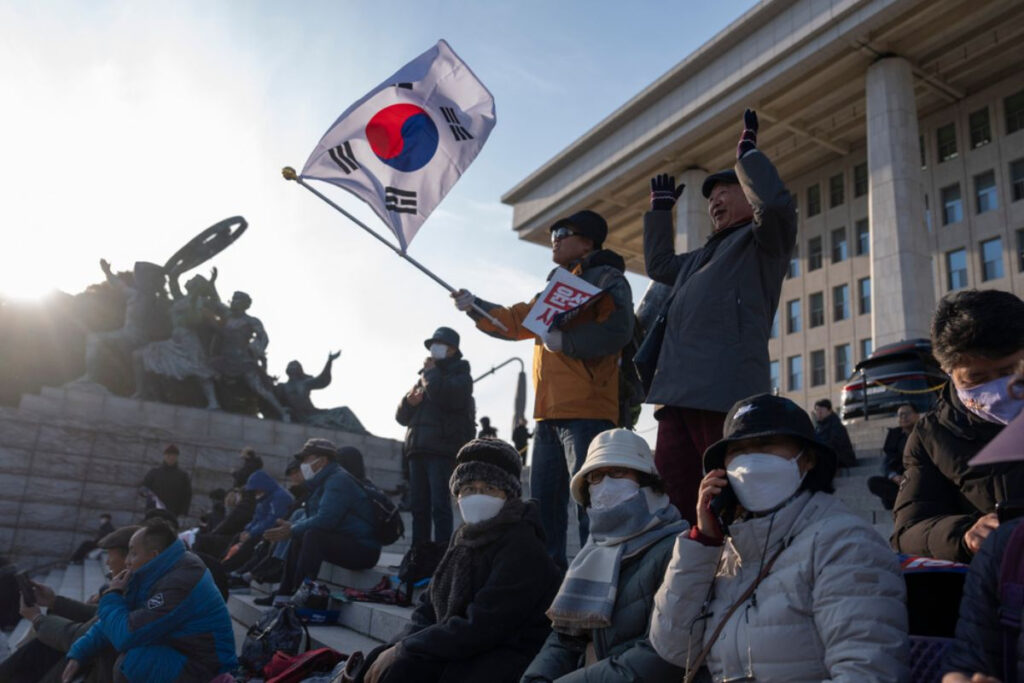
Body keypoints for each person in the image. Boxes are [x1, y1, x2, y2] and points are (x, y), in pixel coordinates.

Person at [649, 393, 908, 681]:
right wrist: (703, 541)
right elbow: (673, 646)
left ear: (807, 458)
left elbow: (868, 672)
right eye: (737, 451)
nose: (749, 461)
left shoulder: (846, 543)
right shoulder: (728, 552)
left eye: (764, 444)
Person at [452, 209, 635, 570]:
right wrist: (476, 307)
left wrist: (567, 340)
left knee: (590, 503)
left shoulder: (608, 279)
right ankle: (549, 581)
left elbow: (618, 330)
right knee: (544, 506)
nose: (555, 237)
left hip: (588, 410)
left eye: (563, 231)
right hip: (548, 413)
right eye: (553, 232)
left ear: (588, 241)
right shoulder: (558, 285)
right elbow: (518, 321)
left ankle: (595, 578)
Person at [641, 109, 796, 524]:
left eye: (725, 191)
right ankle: (686, 563)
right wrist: (659, 212)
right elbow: (659, 266)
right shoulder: (699, 257)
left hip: (724, 388)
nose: (715, 201)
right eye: (710, 198)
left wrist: (748, 158)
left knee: (729, 492)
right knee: (675, 493)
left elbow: (777, 207)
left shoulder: (764, 243)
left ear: (749, 194)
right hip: (675, 394)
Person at [360, 439, 560, 683]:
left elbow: (483, 625)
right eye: (468, 488)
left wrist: (406, 650)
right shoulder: (463, 536)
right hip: (462, 641)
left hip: (506, 650)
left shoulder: (523, 544)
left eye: (488, 488)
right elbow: (427, 608)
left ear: (509, 495)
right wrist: (396, 647)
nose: (477, 496)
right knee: (383, 662)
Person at [522, 429, 687, 682]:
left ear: (645, 480)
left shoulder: (678, 548)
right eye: (596, 477)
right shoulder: (591, 552)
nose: (606, 484)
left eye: (618, 472)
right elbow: (565, 638)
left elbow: (658, 658)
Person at [893, 289, 1024, 563]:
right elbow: (908, 531)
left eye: (1009, 371)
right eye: (976, 379)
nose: (1000, 389)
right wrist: (964, 535)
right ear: (947, 370)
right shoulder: (932, 436)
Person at [65, 521, 238, 683]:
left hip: (205, 667)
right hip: (178, 651)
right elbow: (115, 624)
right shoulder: (157, 572)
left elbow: (127, 634)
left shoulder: (181, 581)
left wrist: (112, 596)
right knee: (106, 647)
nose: (127, 561)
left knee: (135, 661)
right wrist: (80, 652)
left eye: (133, 553)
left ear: (154, 555)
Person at [1, 527, 138, 683]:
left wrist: (37, 618)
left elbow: (81, 636)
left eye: (109, 555)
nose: (106, 562)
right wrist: (54, 601)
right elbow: (96, 616)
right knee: (41, 645)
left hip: (102, 669)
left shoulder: (134, 595)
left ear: (130, 558)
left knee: (41, 648)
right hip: (101, 661)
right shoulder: (131, 588)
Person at [259, 439, 381, 605]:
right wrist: (293, 528)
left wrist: (293, 529)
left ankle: (301, 593)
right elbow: (314, 517)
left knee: (312, 535)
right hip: (346, 541)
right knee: (302, 533)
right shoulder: (322, 481)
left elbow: (326, 520)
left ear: (322, 461)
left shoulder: (338, 480)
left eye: (306, 459)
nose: (303, 464)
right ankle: (285, 593)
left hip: (364, 550)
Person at [395, 327, 475, 548]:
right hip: (417, 449)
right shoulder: (426, 376)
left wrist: (429, 374)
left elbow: (445, 396)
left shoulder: (460, 375)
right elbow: (401, 417)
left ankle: (440, 553)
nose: (434, 348)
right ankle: (418, 554)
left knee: (439, 505)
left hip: (441, 449)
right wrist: (407, 403)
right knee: (419, 506)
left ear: (452, 349)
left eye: (440, 343)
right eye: (433, 343)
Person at [222, 469, 293, 573]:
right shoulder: (264, 498)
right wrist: (247, 530)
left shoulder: (279, 497)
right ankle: (224, 562)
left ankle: (230, 569)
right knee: (237, 537)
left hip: (272, 531)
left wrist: (251, 533)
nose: (255, 493)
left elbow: (271, 520)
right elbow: (257, 517)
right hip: (261, 530)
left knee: (249, 544)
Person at [867, 403, 919, 510]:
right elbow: (887, 464)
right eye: (900, 415)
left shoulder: (924, 433)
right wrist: (894, 476)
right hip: (900, 481)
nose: (904, 417)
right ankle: (907, 499)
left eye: (907, 413)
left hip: (918, 478)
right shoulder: (895, 436)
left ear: (917, 415)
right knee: (873, 482)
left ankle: (907, 499)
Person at [140, 445, 192, 519]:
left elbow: (187, 496)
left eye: (173, 456)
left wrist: (183, 513)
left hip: (172, 514)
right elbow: (144, 488)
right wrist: (145, 492)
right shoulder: (154, 473)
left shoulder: (183, 476)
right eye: (168, 456)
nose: (171, 458)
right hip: (153, 513)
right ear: (164, 456)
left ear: (177, 458)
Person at [812, 398, 856, 468]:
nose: (818, 413)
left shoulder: (836, 425)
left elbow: (833, 443)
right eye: (817, 410)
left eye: (821, 410)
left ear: (829, 411)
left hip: (843, 458)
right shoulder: (818, 427)